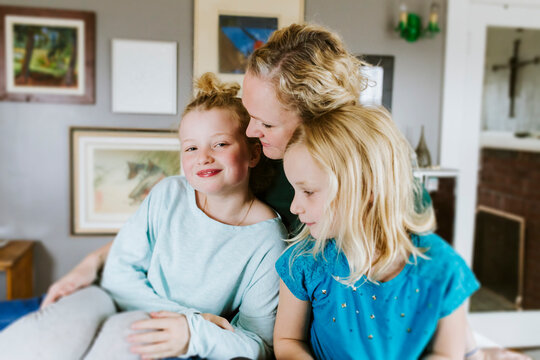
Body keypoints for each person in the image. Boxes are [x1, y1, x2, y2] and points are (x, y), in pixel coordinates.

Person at [2, 23, 528, 360]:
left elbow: (408, 284)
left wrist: (472, 349)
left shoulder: (367, 184)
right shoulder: (252, 163)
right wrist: (89, 265)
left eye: (261, 122)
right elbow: (174, 227)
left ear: (314, 119)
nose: (249, 131)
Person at [0, 73, 287, 360]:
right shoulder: (168, 193)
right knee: (46, 336)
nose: (203, 157)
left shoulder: (267, 240)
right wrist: (192, 318)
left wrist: (194, 332)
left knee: (127, 342)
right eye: (191, 148)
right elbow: (117, 275)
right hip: (107, 297)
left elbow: (258, 344)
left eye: (220, 144)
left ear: (253, 154)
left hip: (154, 326)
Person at [274, 104, 479, 359]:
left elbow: (447, 353)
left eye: (308, 192)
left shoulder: (441, 267)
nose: (294, 206)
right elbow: (287, 340)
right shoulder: (304, 262)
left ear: (366, 189)